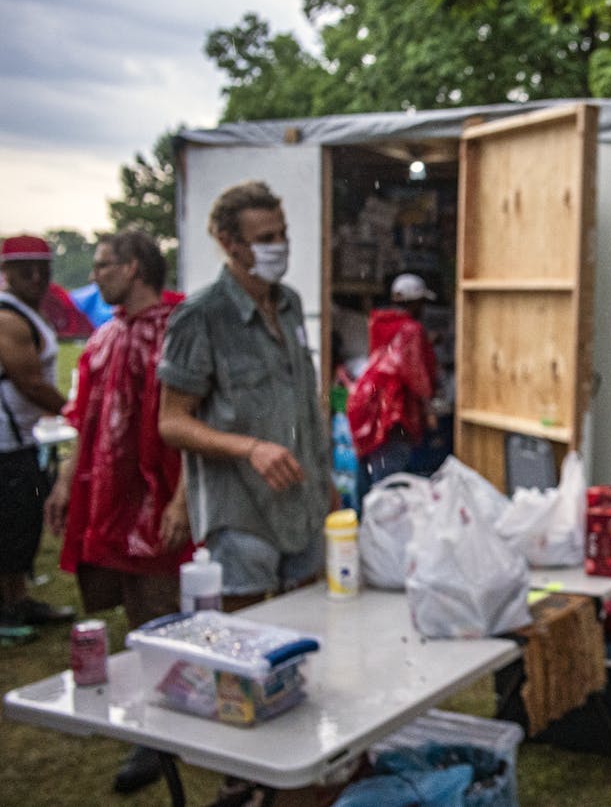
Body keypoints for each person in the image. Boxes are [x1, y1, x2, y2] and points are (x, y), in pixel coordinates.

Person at [43, 230, 192, 794]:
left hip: (162, 494)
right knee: (134, 609)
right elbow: (86, 419)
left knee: (169, 605)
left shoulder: (179, 332)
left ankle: (164, 731)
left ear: (133, 268)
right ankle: (155, 718)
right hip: (111, 495)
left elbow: (196, 416)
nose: (97, 275)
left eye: (105, 265)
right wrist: (64, 483)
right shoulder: (104, 337)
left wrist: (180, 497)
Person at [158, 180, 334, 613]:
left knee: (308, 625)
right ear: (229, 244)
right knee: (246, 636)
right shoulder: (200, 316)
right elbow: (172, 421)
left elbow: (301, 402)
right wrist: (250, 448)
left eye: (283, 233)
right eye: (265, 239)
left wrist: (325, 482)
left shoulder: (289, 304)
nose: (281, 246)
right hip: (241, 510)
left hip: (302, 501)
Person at [0, 234, 75, 628]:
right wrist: (76, 414)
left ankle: (16, 599)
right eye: (23, 268)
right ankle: (10, 607)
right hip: (6, 444)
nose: (35, 275)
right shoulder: (8, 318)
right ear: (6, 272)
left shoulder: (30, 312)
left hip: (22, 439)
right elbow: (30, 383)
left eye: (42, 268)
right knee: (13, 522)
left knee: (22, 521)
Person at [347, 272, 439, 499]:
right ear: (414, 302)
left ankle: (364, 527)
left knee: (370, 474)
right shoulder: (411, 330)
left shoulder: (378, 322)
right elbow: (415, 375)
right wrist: (429, 408)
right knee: (389, 483)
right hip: (392, 412)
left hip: (367, 405)